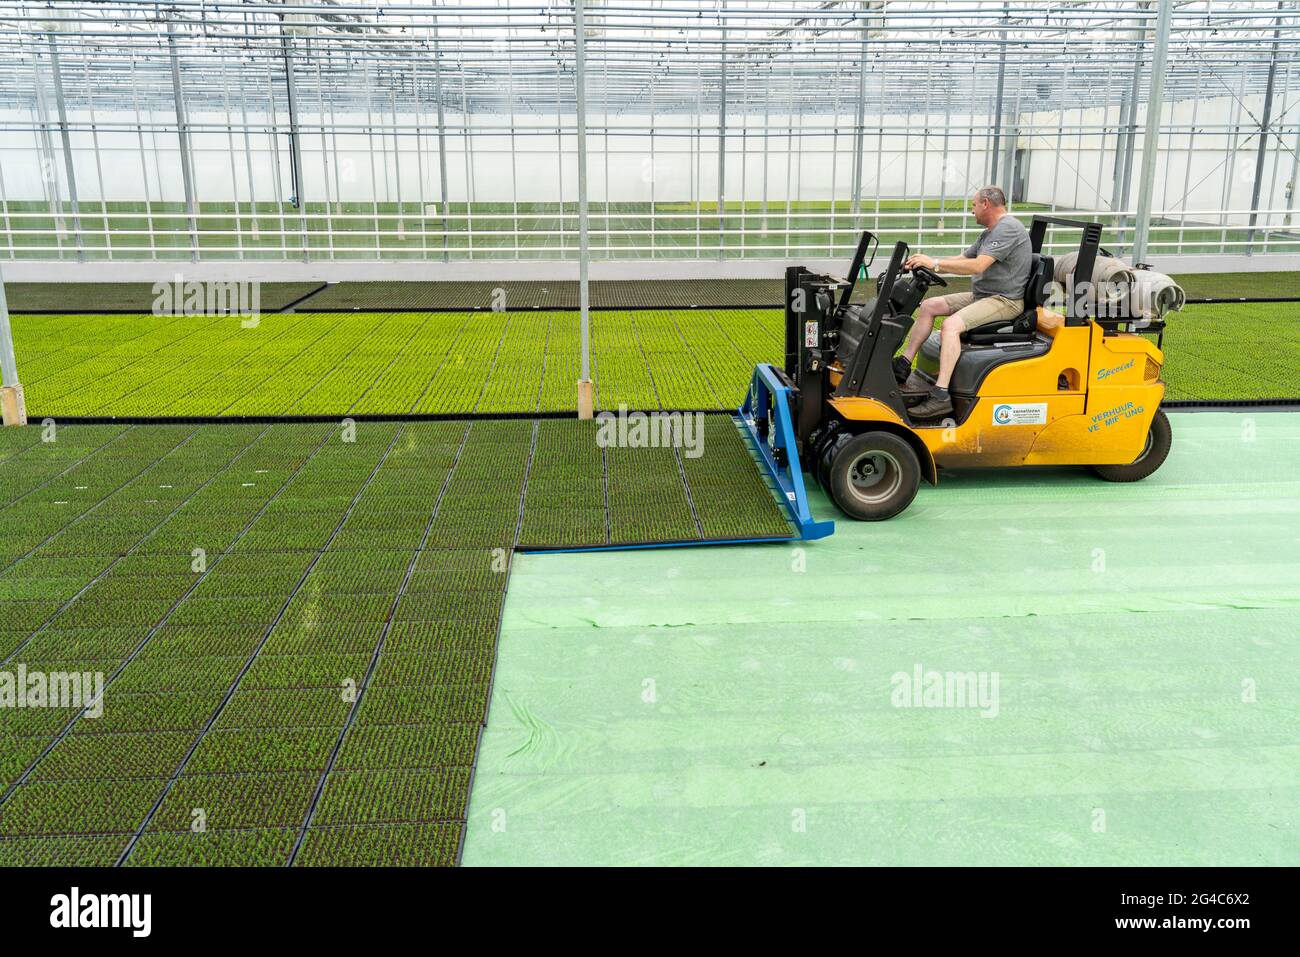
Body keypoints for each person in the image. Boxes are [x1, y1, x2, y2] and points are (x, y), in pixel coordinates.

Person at [894, 186, 1032, 419]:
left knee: (951, 326)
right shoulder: (990, 231)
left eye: (974, 205)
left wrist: (935, 263)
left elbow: (978, 266)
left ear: (986, 204)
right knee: (929, 306)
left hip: (1004, 300)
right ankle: (903, 365)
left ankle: (941, 394)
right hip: (984, 295)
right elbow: (964, 259)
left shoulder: (1008, 228)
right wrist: (926, 263)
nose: (972, 211)